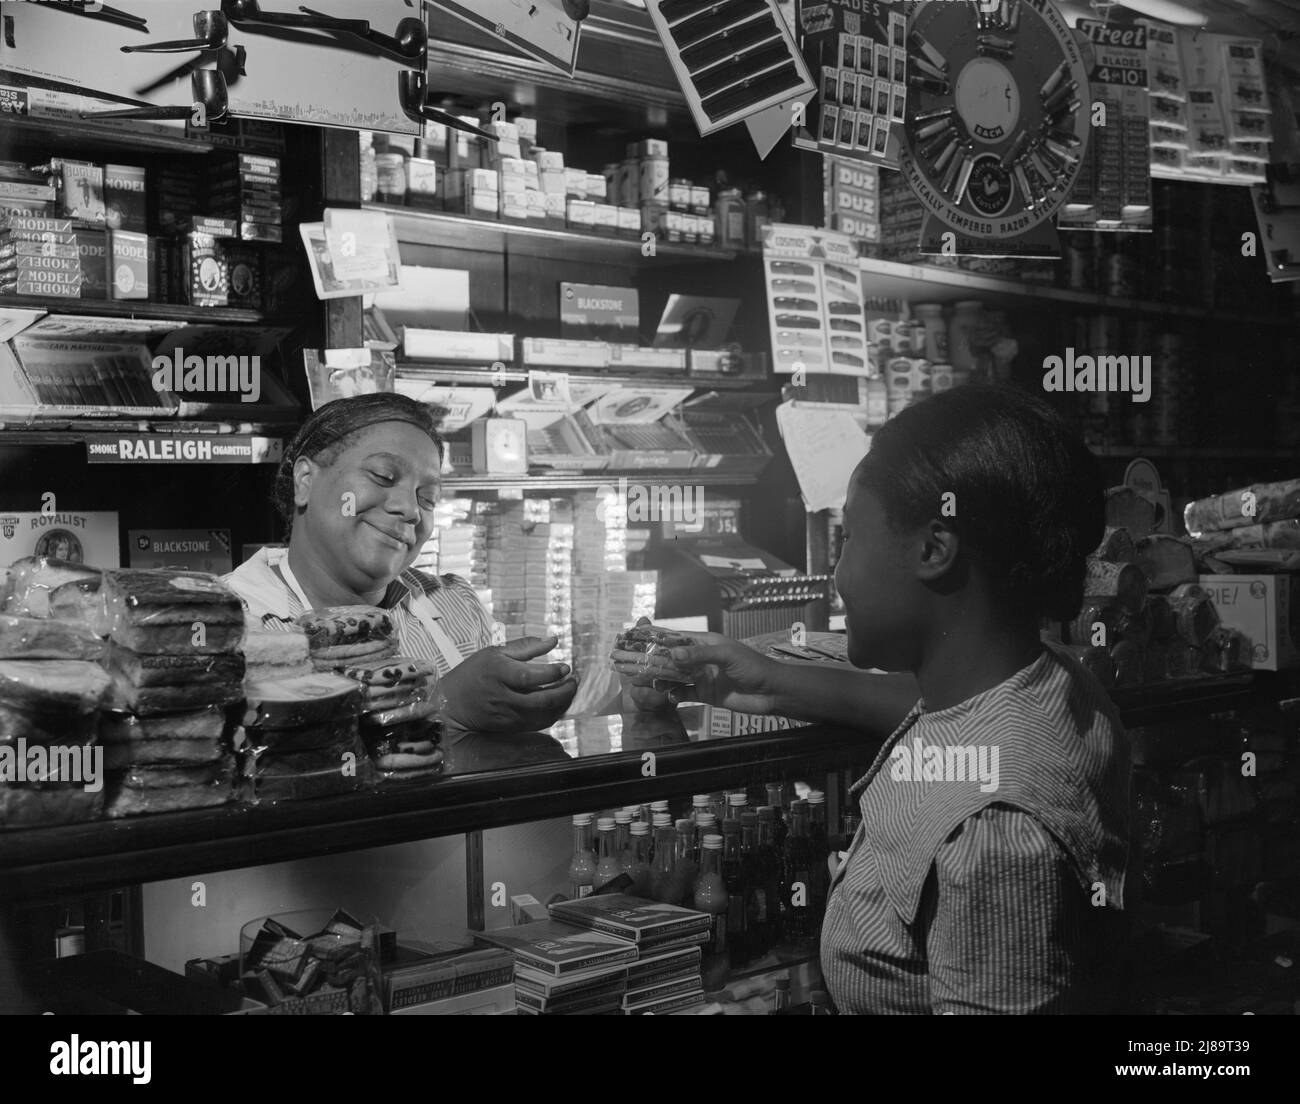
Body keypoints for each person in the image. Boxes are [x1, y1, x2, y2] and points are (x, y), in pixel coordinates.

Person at [618, 385, 1131, 1013]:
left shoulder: (993, 832)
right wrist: (766, 680)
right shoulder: (1055, 686)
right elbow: (951, 722)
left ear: (933, 550)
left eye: (849, 540)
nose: (836, 575)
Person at [225, 393, 577, 735]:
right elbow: (254, 772)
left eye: (428, 498)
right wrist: (441, 704)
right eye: (382, 476)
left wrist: (628, 698)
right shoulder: (226, 625)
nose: (410, 510)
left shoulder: (453, 605)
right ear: (305, 481)